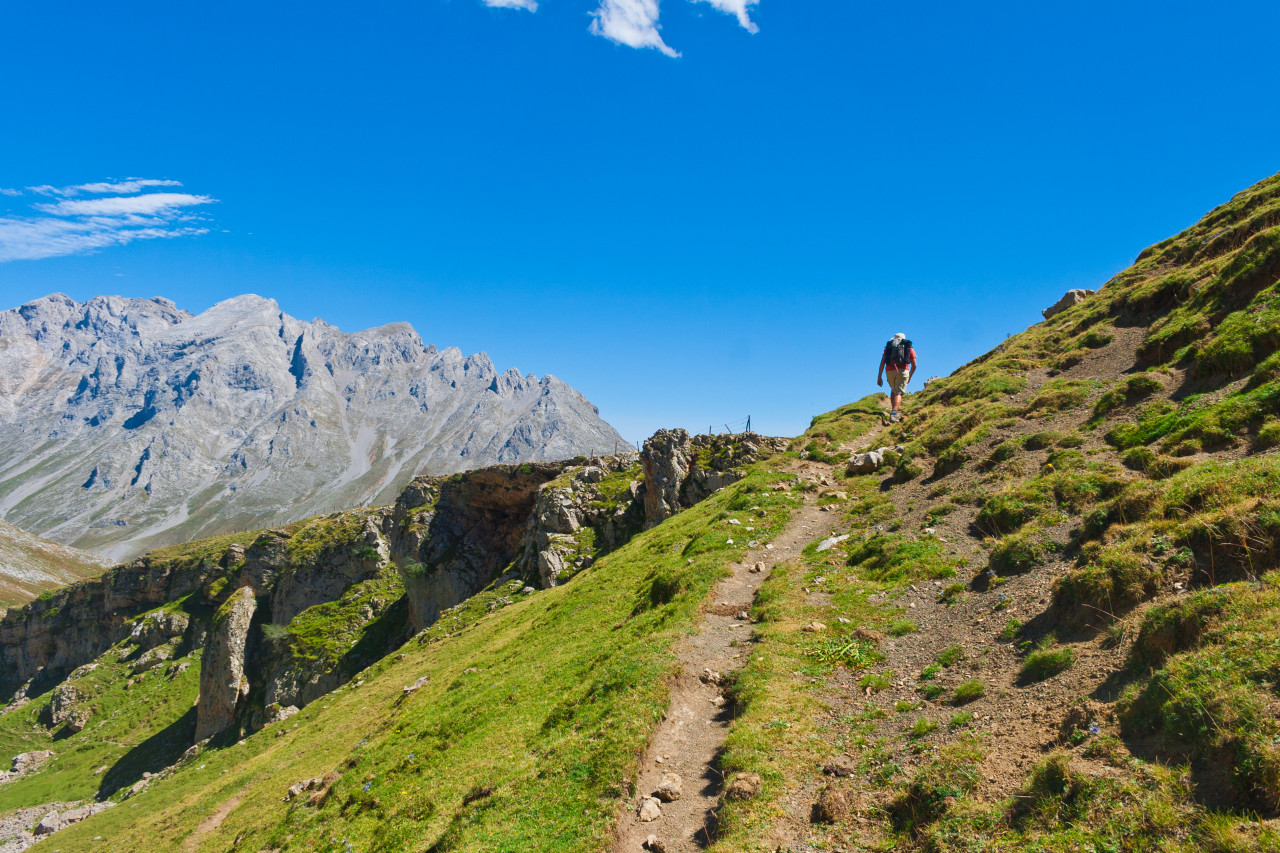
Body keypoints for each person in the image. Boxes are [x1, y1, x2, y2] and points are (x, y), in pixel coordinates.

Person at [877, 332, 916, 422]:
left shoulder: (888, 347)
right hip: (903, 370)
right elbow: (914, 365)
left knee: (893, 389)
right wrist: (909, 376)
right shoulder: (908, 347)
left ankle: (893, 410)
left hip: (889, 371)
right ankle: (894, 412)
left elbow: (882, 362)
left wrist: (879, 377)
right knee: (898, 392)